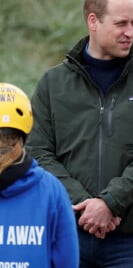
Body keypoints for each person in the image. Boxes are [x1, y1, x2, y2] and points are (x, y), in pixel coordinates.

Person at [26, 0, 133, 267]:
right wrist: (86, 206)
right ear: (92, 21)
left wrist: (110, 202)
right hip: (67, 231)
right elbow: (39, 151)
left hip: (131, 239)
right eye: (121, 23)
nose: (130, 32)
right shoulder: (52, 83)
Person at [0, 82, 79, 267]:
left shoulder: (51, 190)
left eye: (7, 141)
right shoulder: (51, 189)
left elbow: (67, 261)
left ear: (21, 141)